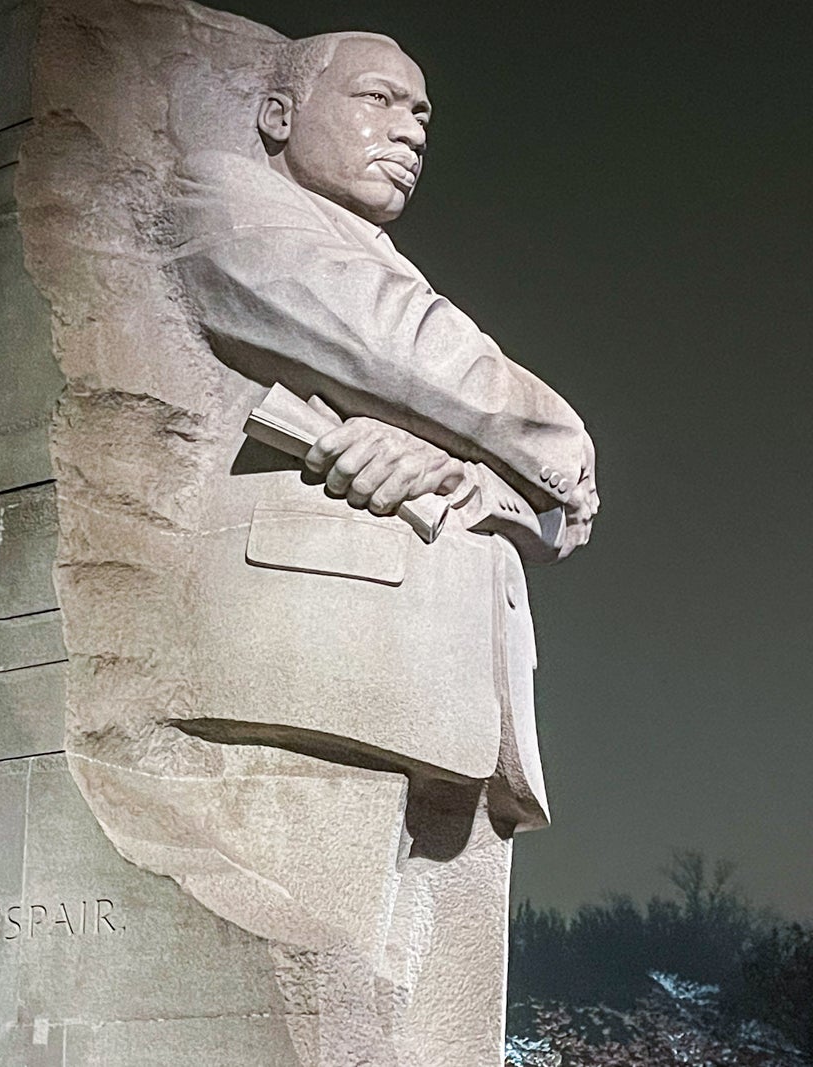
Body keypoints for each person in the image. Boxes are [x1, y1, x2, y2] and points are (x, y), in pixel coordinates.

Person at [68, 30, 599, 1064]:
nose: (408, 129)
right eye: (378, 99)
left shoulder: (382, 257)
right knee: (319, 1009)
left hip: (457, 691)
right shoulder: (224, 196)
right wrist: (554, 441)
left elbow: (558, 509)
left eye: (422, 114)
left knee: (431, 1026)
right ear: (276, 116)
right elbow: (410, 351)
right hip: (319, 663)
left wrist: (467, 467)